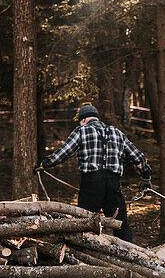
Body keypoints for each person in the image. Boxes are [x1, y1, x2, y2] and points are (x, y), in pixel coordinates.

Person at [36, 103, 151, 243]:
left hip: (91, 184)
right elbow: (138, 157)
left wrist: (44, 164)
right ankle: (131, 257)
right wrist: (146, 177)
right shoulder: (117, 133)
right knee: (121, 226)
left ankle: (86, 256)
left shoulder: (81, 131)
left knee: (84, 224)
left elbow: (63, 153)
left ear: (83, 120)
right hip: (113, 184)